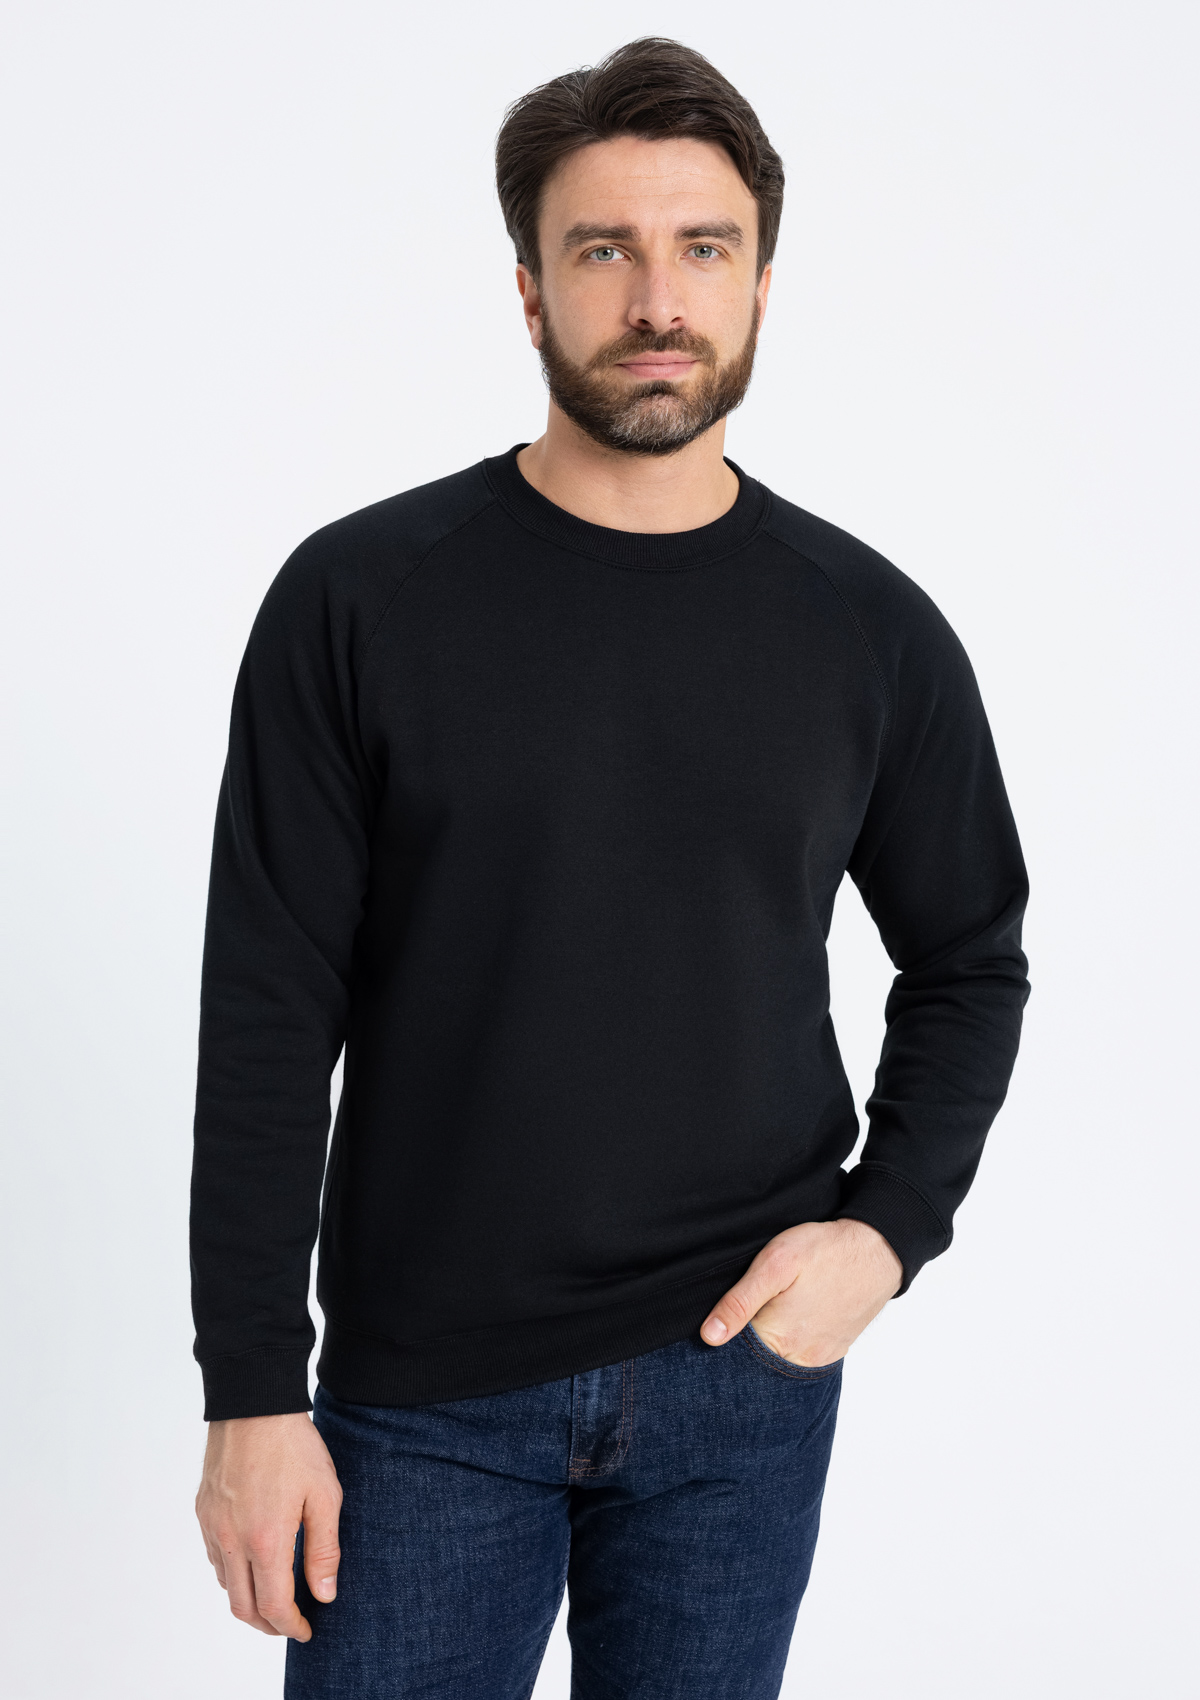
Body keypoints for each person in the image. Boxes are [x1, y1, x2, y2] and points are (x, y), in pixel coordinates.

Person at [191, 37, 1030, 1700]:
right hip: (422, 1405)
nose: (658, 299)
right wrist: (251, 1396)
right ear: (529, 292)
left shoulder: (867, 630)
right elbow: (270, 1014)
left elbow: (970, 957)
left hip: (740, 1383)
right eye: (604, 250)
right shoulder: (361, 601)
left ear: (762, 286)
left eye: (702, 248)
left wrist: (885, 1233)